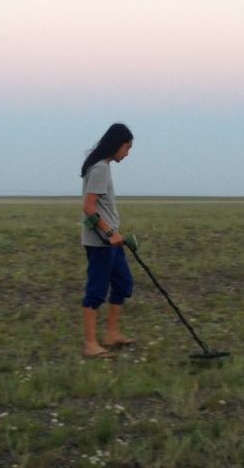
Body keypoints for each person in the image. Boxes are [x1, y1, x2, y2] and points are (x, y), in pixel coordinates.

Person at [79, 123, 136, 358]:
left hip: (111, 241)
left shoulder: (103, 167)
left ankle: (112, 335)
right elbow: (89, 207)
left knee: (123, 283)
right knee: (96, 291)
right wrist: (110, 233)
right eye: (127, 147)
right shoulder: (100, 168)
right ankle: (90, 345)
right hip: (101, 243)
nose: (127, 153)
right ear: (116, 144)